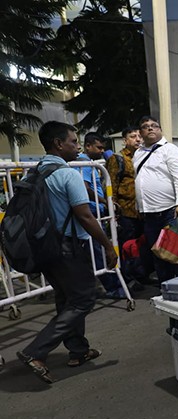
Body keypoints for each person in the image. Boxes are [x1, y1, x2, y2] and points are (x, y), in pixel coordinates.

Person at [15, 121, 118, 384]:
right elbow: (85, 216)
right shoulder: (67, 174)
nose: (78, 146)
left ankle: (78, 351)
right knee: (83, 299)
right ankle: (34, 352)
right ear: (58, 144)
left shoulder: (34, 173)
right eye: (73, 141)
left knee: (66, 299)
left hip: (44, 247)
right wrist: (108, 245)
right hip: (69, 248)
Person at [134, 115, 178, 283]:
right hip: (149, 214)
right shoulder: (138, 153)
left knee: (176, 254)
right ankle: (165, 288)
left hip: (170, 212)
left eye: (154, 125)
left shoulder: (170, 149)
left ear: (160, 130)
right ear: (141, 132)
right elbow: (140, 180)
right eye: (146, 126)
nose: (150, 128)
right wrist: (139, 206)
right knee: (158, 254)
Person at [76, 131, 124, 298]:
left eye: (103, 147)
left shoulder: (89, 162)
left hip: (96, 209)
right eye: (98, 147)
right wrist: (104, 201)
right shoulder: (83, 163)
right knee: (100, 250)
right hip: (92, 209)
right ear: (88, 146)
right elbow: (85, 187)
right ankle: (113, 287)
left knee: (98, 249)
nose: (102, 151)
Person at [107, 127, 143, 244]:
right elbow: (112, 184)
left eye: (140, 137)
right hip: (126, 211)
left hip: (143, 211)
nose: (138, 140)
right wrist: (113, 208)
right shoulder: (118, 158)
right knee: (129, 245)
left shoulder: (143, 156)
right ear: (125, 141)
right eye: (133, 137)